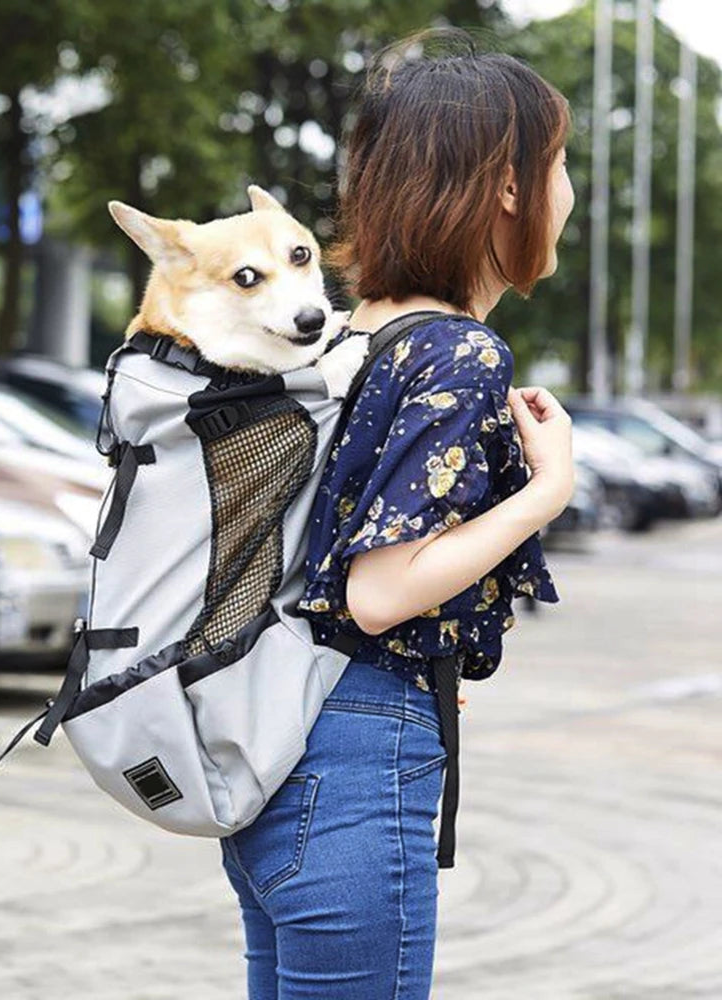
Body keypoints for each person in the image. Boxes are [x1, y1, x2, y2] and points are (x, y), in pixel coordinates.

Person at [217, 26, 576, 1000]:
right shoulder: (457, 353)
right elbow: (379, 592)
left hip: (269, 762)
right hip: (355, 768)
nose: (566, 190)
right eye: (559, 162)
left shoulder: (343, 337)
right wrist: (547, 490)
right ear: (507, 184)